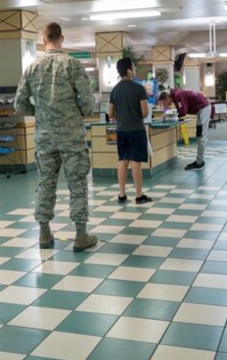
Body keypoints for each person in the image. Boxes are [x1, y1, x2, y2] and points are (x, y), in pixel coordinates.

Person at [15, 22, 98, 252]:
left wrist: (40, 113)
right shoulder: (72, 65)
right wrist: (76, 114)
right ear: (62, 38)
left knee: (45, 182)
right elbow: (88, 103)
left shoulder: (32, 67)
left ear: (44, 39)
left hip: (45, 137)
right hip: (71, 136)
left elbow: (19, 103)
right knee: (78, 183)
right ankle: (81, 236)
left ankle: (44, 234)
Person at [108, 57, 152, 204]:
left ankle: (122, 194)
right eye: (132, 67)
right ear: (128, 70)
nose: (134, 71)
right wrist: (134, 115)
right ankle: (139, 195)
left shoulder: (114, 90)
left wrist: (119, 118)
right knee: (136, 162)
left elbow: (110, 113)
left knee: (122, 160)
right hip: (136, 129)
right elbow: (145, 112)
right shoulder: (138, 89)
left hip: (121, 130)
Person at [158, 88, 213, 170]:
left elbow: (183, 111)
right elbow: (181, 109)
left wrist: (169, 115)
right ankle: (199, 161)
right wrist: (172, 113)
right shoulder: (176, 95)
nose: (165, 106)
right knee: (199, 135)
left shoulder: (177, 95)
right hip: (201, 108)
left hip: (204, 107)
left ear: (166, 98)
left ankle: (200, 163)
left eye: (164, 103)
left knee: (201, 136)